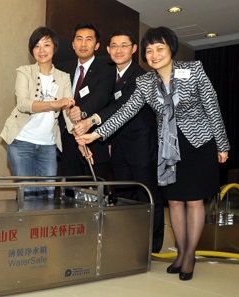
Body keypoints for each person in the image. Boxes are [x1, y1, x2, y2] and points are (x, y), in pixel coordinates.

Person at [76, 26, 229, 281]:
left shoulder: (193, 70)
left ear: (170, 49)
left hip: (198, 143)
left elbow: (212, 106)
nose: (155, 54)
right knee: (175, 201)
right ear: (144, 56)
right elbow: (126, 111)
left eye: (160, 48)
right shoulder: (146, 82)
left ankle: (189, 255)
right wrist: (96, 134)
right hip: (168, 148)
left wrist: (222, 145)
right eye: (149, 51)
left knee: (193, 200)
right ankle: (180, 253)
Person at [74, 29, 163, 253]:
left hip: (142, 144)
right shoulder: (111, 75)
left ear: (134, 49)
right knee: (124, 194)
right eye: (114, 45)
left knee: (146, 193)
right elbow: (106, 102)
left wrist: (92, 122)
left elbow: (122, 106)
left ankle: (152, 246)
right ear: (107, 49)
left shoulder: (142, 76)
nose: (118, 50)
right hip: (119, 143)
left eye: (124, 45)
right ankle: (127, 242)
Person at [0, 27, 74, 199]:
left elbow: (67, 110)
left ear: (54, 47)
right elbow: (24, 104)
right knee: (28, 196)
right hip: (21, 142)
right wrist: (54, 103)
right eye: (37, 46)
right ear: (32, 49)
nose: (41, 50)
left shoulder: (63, 77)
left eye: (46, 45)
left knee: (47, 197)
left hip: (48, 146)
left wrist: (80, 137)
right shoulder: (25, 72)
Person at [58, 23, 114, 180]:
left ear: (96, 45)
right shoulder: (63, 69)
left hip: (94, 137)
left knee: (96, 191)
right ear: (73, 44)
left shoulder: (107, 67)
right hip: (67, 139)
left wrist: (82, 111)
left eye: (88, 40)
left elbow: (102, 96)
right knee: (69, 191)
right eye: (79, 39)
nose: (83, 44)